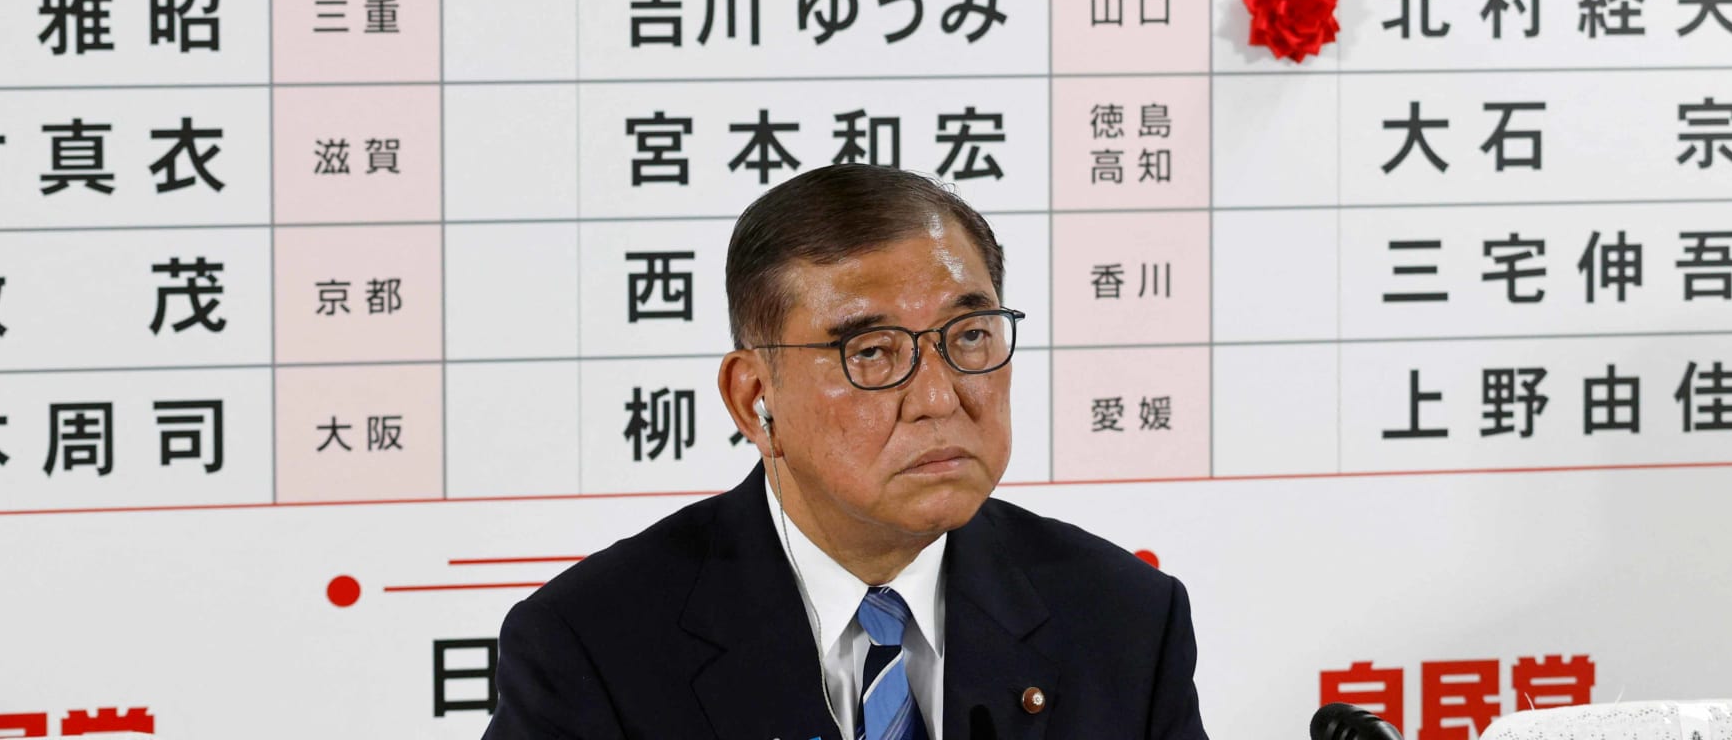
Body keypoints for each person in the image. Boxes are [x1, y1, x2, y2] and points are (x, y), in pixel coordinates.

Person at [484, 164, 1210, 740]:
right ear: (754, 397)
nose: (938, 397)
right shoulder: (594, 646)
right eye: (871, 351)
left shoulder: (1123, 620)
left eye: (970, 336)